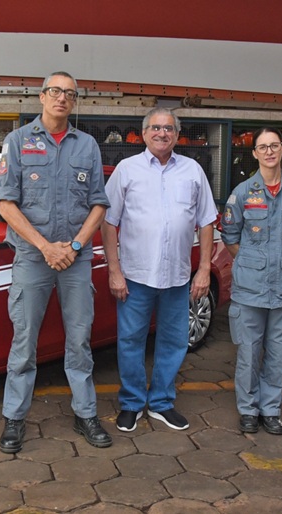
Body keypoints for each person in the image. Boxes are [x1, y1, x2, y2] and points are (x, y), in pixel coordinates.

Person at [0, 71, 112, 453]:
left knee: (79, 340)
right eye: (56, 91)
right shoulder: (18, 141)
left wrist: (75, 246)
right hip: (33, 257)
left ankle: (86, 413)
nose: (62, 98)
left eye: (70, 94)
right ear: (42, 97)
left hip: (75, 260)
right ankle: (14, 418)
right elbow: (6, 205)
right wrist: (46, 247)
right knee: (24, 342)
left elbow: (99, 203)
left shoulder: (88, 146)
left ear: (74, 102)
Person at [101, 107, 218, 433]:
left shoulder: (193, 171)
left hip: (178, 277)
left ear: (177, 135)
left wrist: (204, 270)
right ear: (144, 133)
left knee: (174, 341)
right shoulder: (127, 169)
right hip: (135, 277)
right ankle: (132, 403)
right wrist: (115, 271)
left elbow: (207, 221)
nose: (161, 133)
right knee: (130, 341)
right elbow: (109, 223)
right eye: (155, 127)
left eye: (168, 128)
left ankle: (162, 403)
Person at [221, 127, 282, 435]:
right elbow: (231, 237)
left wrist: (280, 262)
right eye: (263, 147)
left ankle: (271, 409)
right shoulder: (243, 192)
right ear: (255, 153)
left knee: (279, 352)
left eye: (274, 145)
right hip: (250, 289)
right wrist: (251, 261)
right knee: (248, 351)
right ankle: (248, 409)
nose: (269, 151)